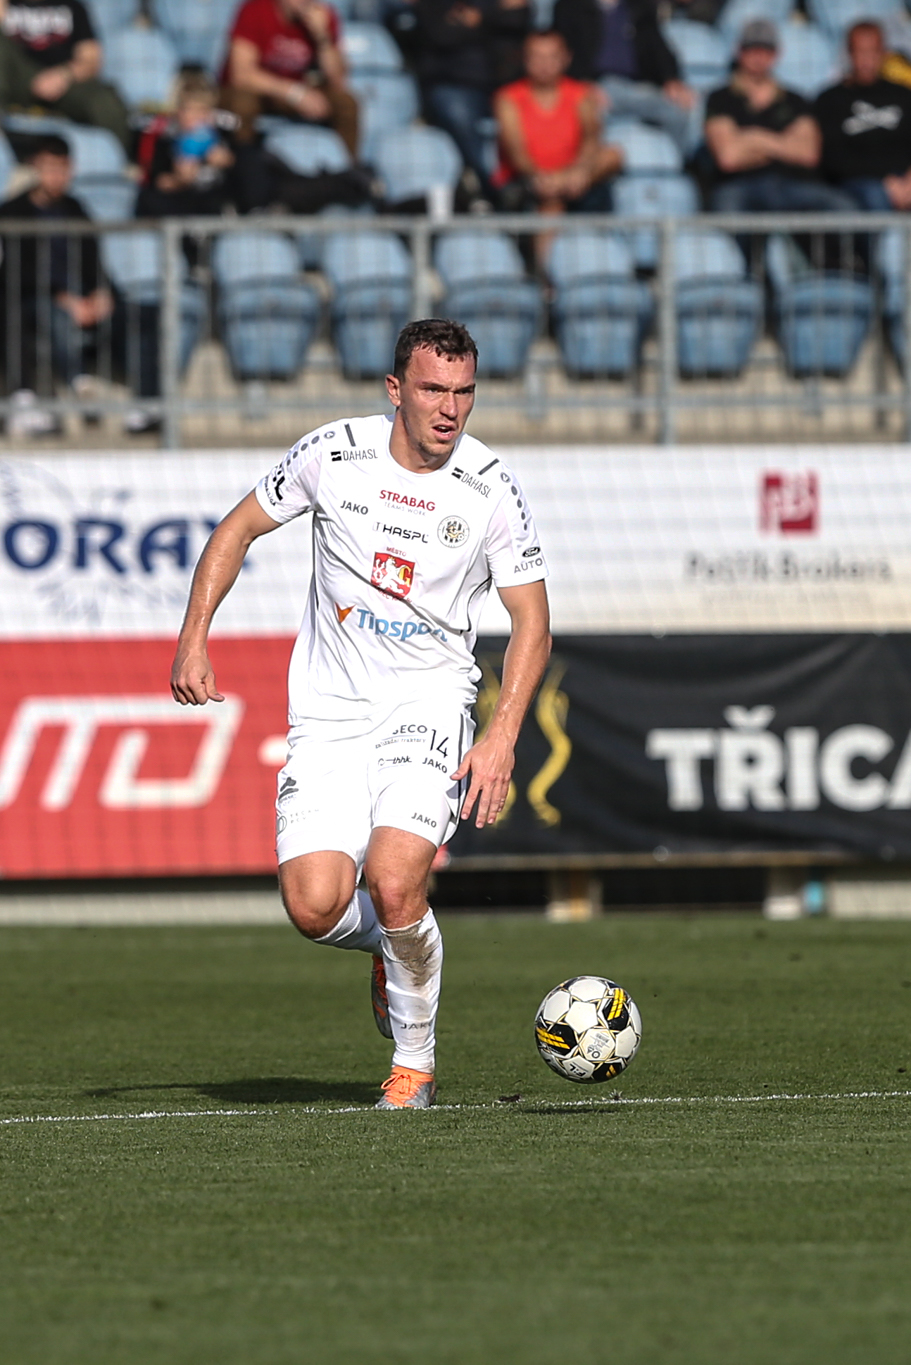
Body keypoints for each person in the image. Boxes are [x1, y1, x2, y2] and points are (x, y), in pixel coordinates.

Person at [170, 319, 553, 1112]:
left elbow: (532, 621)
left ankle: (413, 1067)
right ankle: (391, 945)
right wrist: (193, 638)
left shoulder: (489, 487)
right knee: (313, 904)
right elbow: (237, 529)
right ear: (395, 389)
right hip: (329, 715)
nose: (450, 409)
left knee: (396, 878)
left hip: (428, 705)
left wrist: (502, 734)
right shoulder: (333, 454)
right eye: (433, 389)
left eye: (464, 392)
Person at [0, 137, 109, 437]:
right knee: (46, 315)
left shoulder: (76, 208)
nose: (56, 176)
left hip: (75, 294)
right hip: (30, 296)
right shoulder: (13, 211)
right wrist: (65, 299)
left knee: (141, 314)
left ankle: (144, 405)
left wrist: (100, 292)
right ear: (35, 167)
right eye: (50, 168)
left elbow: (92, 257)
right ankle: (78, 382)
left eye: (62, 168)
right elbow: (17, 271)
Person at [814, 21, 911, 214]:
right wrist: (884, 181)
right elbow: (833, 159)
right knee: (874, 196)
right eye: (860, 52)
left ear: (883, 53)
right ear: (849, 54)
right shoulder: (829, 100)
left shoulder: (907, 96)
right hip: (860, 186)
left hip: (908, 184)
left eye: (872, 52)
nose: (866, 61)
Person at [702, 20, 854, 215]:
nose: (759, 57)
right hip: (741, 184)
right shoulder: (720, 98)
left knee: (842, 206)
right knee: (727, 207)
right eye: (752, 50)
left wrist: (754, 138)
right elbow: (728, 158)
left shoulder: (795, 100)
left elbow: (808, 154)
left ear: (776, 54)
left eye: (766, 51)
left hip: (793, 184)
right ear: (739, 52)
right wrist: (784, 144)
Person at [494, 28, 625, 215]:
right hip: (527, 181)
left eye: (552, 57)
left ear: (566, 58)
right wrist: (539, 177)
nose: (545, 65)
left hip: (576, 177)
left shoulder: (582, 95)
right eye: (537, 57)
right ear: (524, 59)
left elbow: (591, 138)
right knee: (550, 202)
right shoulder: (508, 98)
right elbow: (515, 148)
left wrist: (578, 171)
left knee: (613, 155)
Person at [552, 0, 696, 163]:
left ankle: (682, 167)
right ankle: (587, 172)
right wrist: (582, 85)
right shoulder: (569, 6)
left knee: (680, 110)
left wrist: (671, 79)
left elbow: (658, 46)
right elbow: (559, 53)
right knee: (587, 116)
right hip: (595, 85)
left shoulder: (640, 6)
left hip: (638, 86)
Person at [222, 0, 362, 160]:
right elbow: (241, 75)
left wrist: (322, 36)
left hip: (299, 91)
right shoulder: (255, 10)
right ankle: (242, 165)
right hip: (260, 91)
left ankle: (346, 168)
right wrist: (294, 92)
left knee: (346, 104)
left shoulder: (324, 16)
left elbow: (338, 81)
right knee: (243, 103)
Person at [416, 0, 534, 192]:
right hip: (454, 85)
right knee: (457, 112)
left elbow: (519, 18)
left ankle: (526, 184)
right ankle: (496, 187)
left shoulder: (480, 11)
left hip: (505, 84)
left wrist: (480, 19)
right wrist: (495, 20)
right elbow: (441, 35)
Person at [0, 0, 130, 148]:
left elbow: (91, 59)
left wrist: (63, 75)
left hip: (64, 78)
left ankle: (119, 158)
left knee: (106, 103)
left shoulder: (72, 6)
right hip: (15, 79)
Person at [137, 73, 245, 219]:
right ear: (178, 112)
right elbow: (159, 182)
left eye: (203, 111)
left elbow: (240, 171)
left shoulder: (223, 136)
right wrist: (180, 180)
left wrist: (227, 161)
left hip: (214, 200)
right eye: (190, 110)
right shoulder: (166, 139)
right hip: (181, 201)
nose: (197, 117)